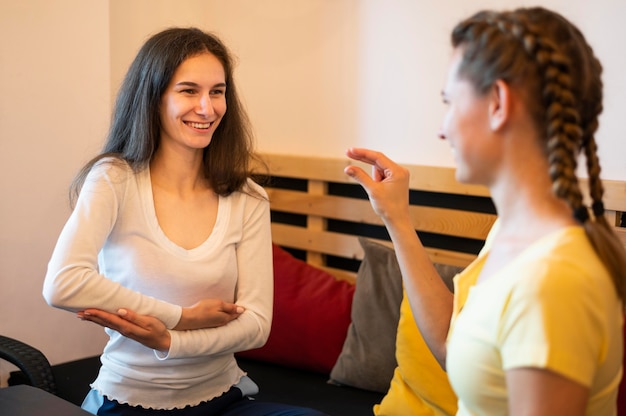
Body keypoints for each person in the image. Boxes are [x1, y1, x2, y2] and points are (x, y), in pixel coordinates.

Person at [345, 7, 626, 415]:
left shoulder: (554, 280)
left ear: (497, 102)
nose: (442, 129)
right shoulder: (512, 235)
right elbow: (450, 345)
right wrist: (397, 219)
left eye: (449, 102)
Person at [43, 27, 327, 416]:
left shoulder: (247, 197)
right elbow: (63, 283)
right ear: (153, 97)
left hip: (224, 398)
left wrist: (171, 341)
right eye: (189, 90)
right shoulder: (114, 179)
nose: (207, 108)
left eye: (217, 91)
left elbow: (257, 325)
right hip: (130, 400)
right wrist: (183, 317)